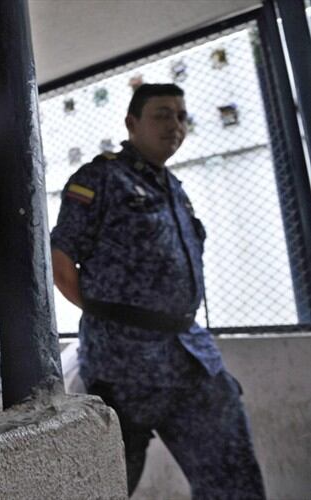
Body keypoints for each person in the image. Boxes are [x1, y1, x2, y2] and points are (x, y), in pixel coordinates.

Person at [50, 83, 265, 498]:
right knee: (109, 485)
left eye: (181, 115)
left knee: (234, 480)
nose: (175, 125)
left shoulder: (175, 190)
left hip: (192, 358)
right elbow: (61, 265)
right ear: (132, 123)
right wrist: (112, 319)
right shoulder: (100, 177)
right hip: (122, 366)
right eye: (162, 114)